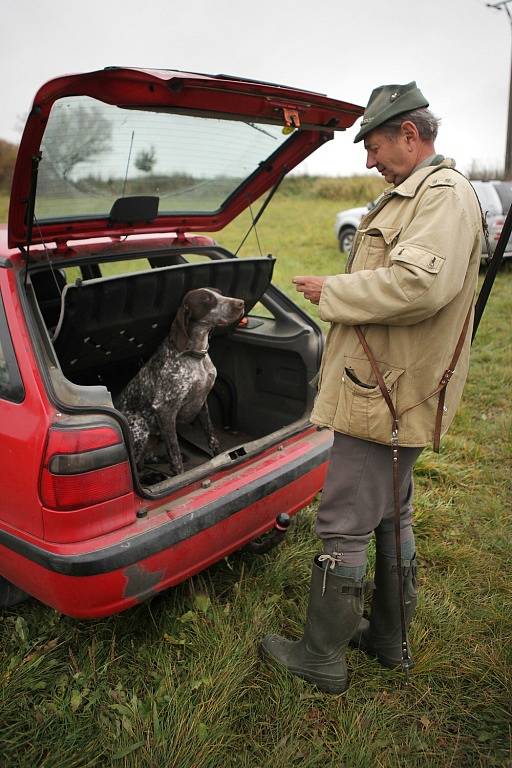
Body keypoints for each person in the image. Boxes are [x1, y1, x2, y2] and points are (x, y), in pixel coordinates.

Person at [261, 81, 483, 694]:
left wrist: (331, 291)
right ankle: (387, 639)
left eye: (375, 145)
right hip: (390, 381)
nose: (368, 160)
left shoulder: (439, 196)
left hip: (386, 392)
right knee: (389, 512)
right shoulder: (410, 194)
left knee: (345, 519)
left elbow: (417, 286)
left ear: (410, 135)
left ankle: (320, 656)